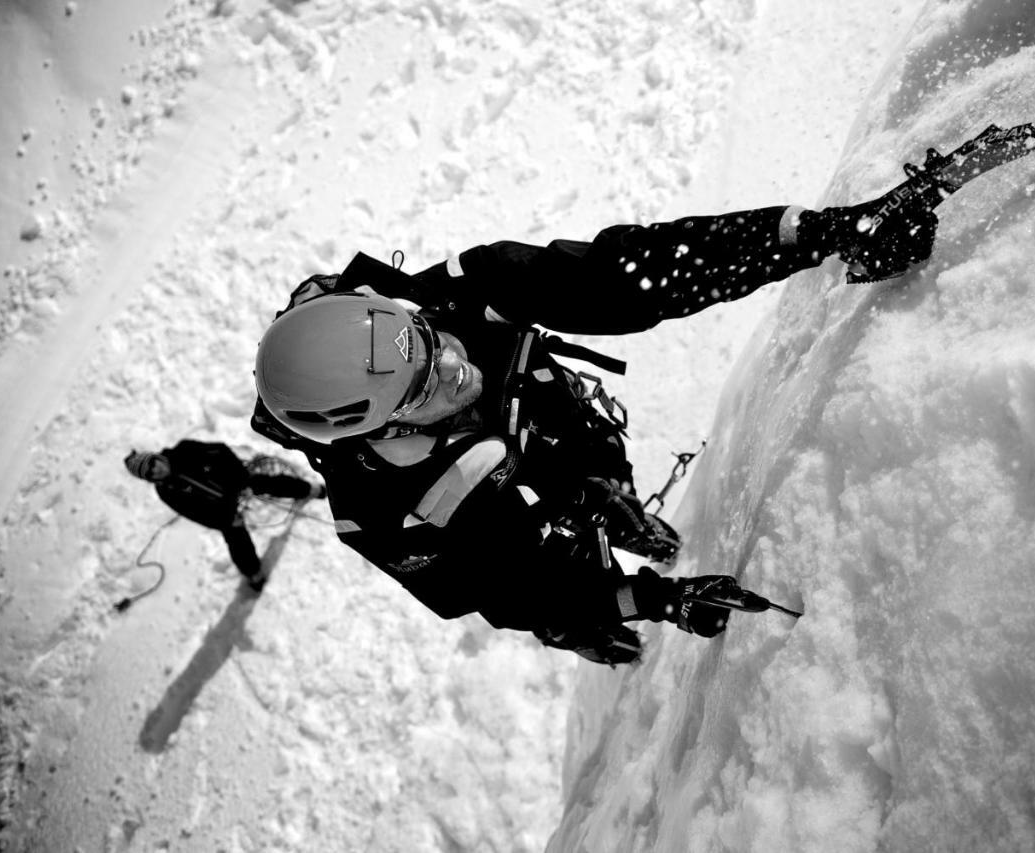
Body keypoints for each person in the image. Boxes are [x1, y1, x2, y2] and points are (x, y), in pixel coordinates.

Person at [252, 196, 937, 662]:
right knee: (574, 598)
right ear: (376, 430)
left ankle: (622, 509)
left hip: (550, 422)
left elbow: (627, 275)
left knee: (599, 468)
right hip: (505, 518)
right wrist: (652, 599)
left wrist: (808, 235)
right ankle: (609, 607)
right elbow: (510, 590)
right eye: (424, 386)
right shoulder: (383, 513)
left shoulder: (459, 291)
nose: (456, 367)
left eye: (430, 338)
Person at [124, 441, 326, 591]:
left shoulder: (184, 450)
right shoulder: (166, 491)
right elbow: (196, 513)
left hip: (235, 480)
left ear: (155, 457)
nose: (156, 470)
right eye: (150, 474)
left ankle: (310, 489)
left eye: (153, 464)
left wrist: (239, 477)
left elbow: (220, 451)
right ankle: (253, 573)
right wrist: (228, 519)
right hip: (221, 510)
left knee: (266, 483)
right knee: (235, 536)